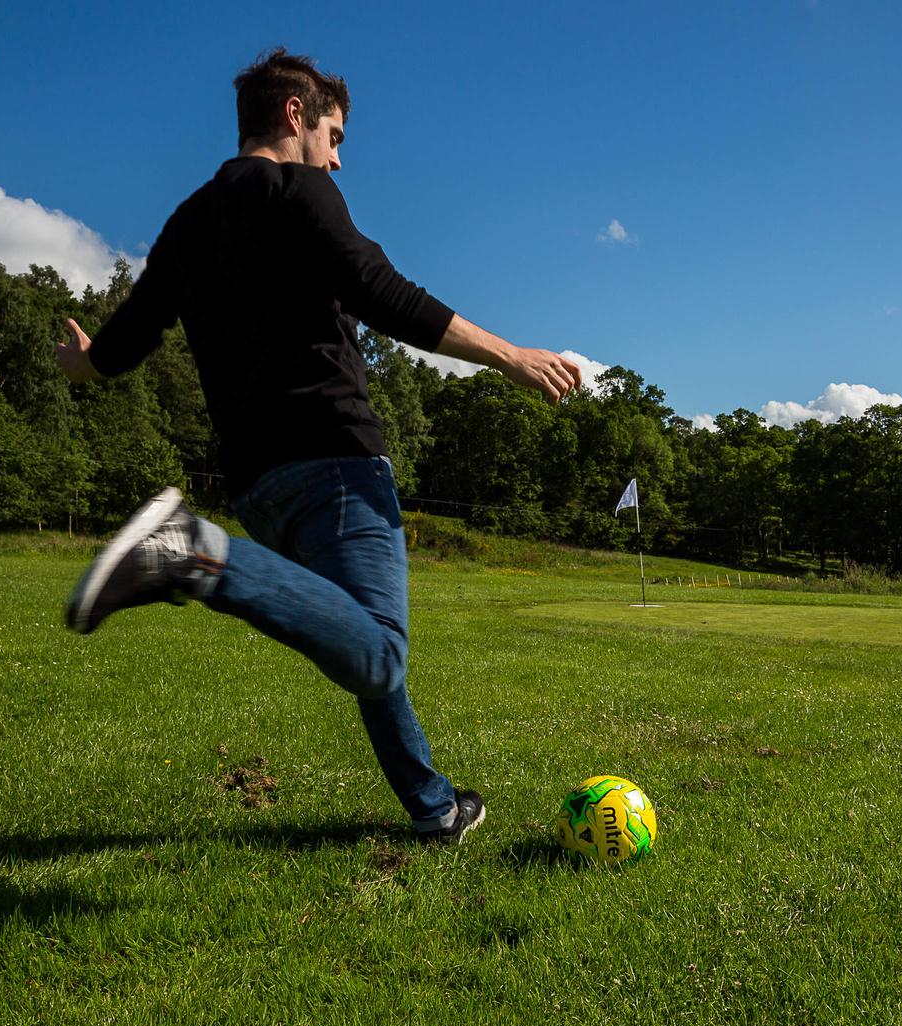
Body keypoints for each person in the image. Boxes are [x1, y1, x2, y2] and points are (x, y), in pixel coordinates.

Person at [53, 48, 580, 843]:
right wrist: (512, 357)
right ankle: (192, 553)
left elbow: (127, 342)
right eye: (333, 134)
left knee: (355, 627)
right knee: (380, 656)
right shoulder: (302, 189)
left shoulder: (188, 222)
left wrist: (83, 365)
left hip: (259, 486)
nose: (337, 156)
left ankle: (433, 806)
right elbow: (380, 289)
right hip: (334, 463)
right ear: (295, 117)